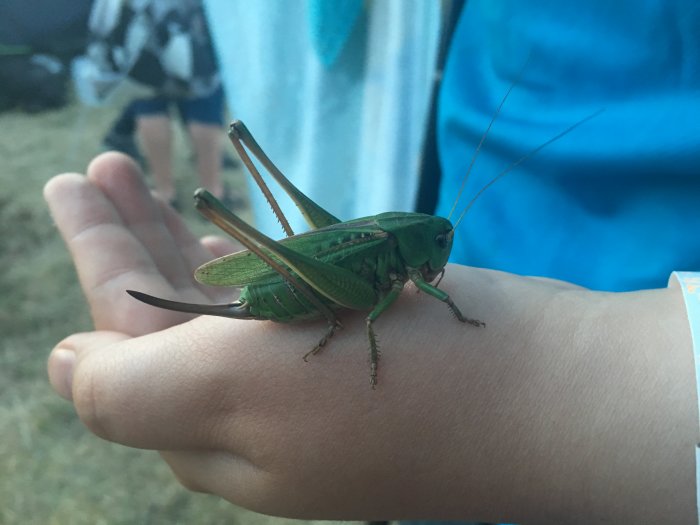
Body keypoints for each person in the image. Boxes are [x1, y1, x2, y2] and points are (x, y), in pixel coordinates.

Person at [44, 1, 700, 524]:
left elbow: (413, 295)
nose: (442, 260)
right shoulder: (400, 260)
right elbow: (386, 306)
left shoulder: (413, 248)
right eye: (439, 249)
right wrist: (363, 331)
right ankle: (276, 265)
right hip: (304, 286)